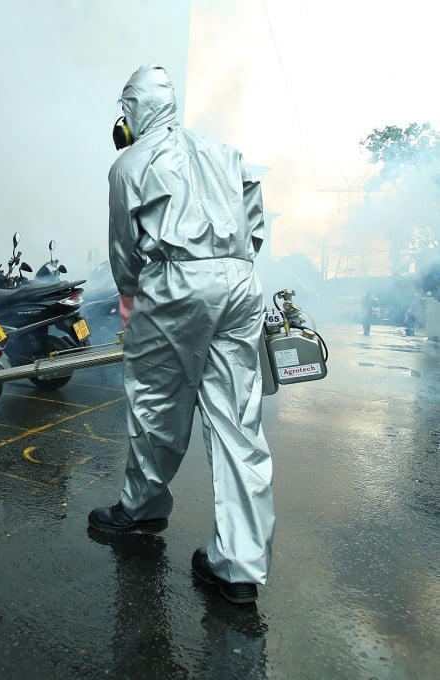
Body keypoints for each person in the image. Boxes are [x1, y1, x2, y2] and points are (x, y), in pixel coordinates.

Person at [88, 64, 275, 606]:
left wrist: (129, 292)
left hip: (175, 282)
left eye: (125, 110)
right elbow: (255, 219)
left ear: (133, 109)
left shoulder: (129, 163)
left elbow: (124, 246)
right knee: (239, 424)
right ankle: (238, 567)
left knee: (155, 406)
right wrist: (231, 266)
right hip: (240, 283)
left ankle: (143, 509)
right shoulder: (224, 152)